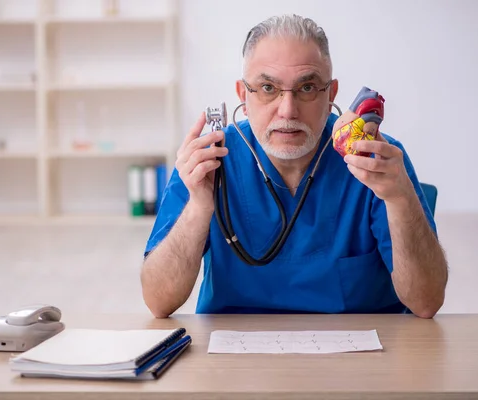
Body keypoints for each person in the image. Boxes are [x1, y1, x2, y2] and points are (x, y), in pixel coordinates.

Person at [140, 14, 448, 319]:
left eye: (307, 87)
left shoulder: (378, 159)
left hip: (361, 358)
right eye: (268, 88)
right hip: (235, 359)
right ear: (242, 96)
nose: (287, 111)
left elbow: (426, 302)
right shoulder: (210, 161)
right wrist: (197, 208)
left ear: (331, 94)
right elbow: (158, 301)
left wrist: (401, 200)